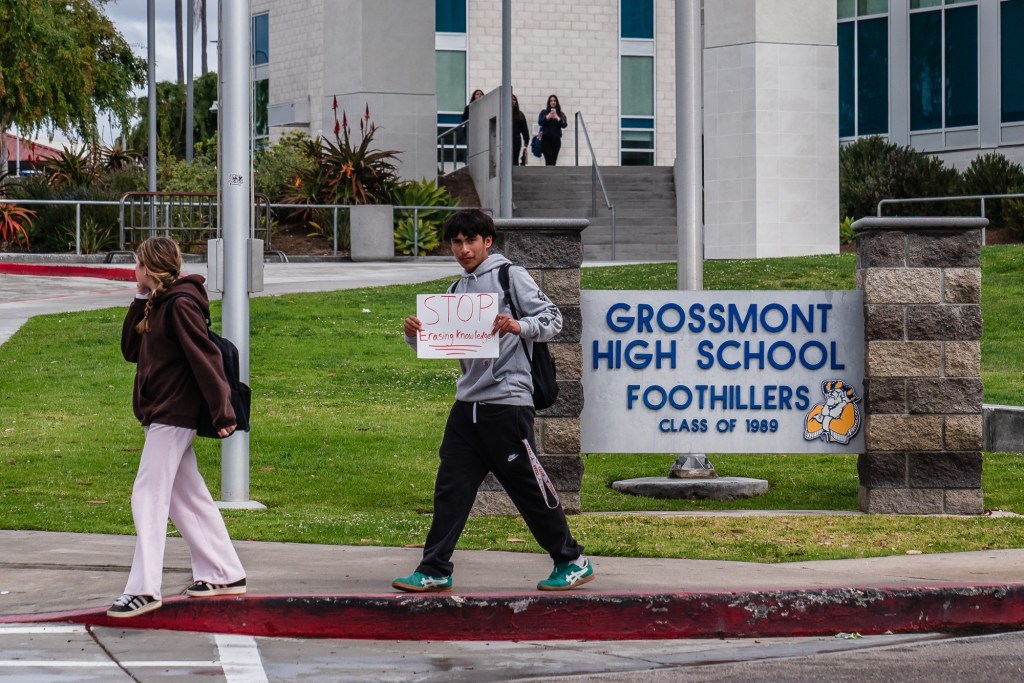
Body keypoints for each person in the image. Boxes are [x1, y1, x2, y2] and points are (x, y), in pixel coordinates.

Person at [394, 209, 595, 593]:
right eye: (456, 241)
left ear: (488, 241)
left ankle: (571, 560)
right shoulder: (455, 291)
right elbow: (440, 344)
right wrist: (414, 334)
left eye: (471, 240)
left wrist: (518, 325)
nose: (464, 249)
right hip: (466, 404)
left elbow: (554, 319)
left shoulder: (510, 276)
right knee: (450, 489)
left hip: (507, 403)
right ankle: (435, 568)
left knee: (528, 488)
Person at [108, 236, 246, 618]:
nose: (132, 271)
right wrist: (139, 299)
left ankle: (144, 588)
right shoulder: (157, 304)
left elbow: (207, 358)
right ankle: (224, 572)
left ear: (148, 267)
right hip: (161, 413)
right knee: (188, 499)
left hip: (173, 413)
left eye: (136, 264)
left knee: (147, 496)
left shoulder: (181, 304)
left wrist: (223, 413)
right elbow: (130, 351)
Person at [537, 94, 568, 166]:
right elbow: (540, 122)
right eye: (551, 101)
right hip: (546, 140)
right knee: (549, 159)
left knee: (554, 160)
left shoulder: (561, 114)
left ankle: (550, 176)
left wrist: (557, 117)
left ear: (557, 102)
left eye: (554, 101)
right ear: (549, 102)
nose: (553, 102)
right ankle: (548, 176)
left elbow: (564, 125)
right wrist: (548, 117)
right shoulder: (544, 112)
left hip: (556, 140)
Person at [512, 94, 531, 166]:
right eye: (511, 99)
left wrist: (526, 141)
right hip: (505, 140)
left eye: (514, 99)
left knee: (515, 158)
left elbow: (524, 129)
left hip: (516, 139)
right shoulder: (502, 112)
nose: (512, 101)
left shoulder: (520, 114)